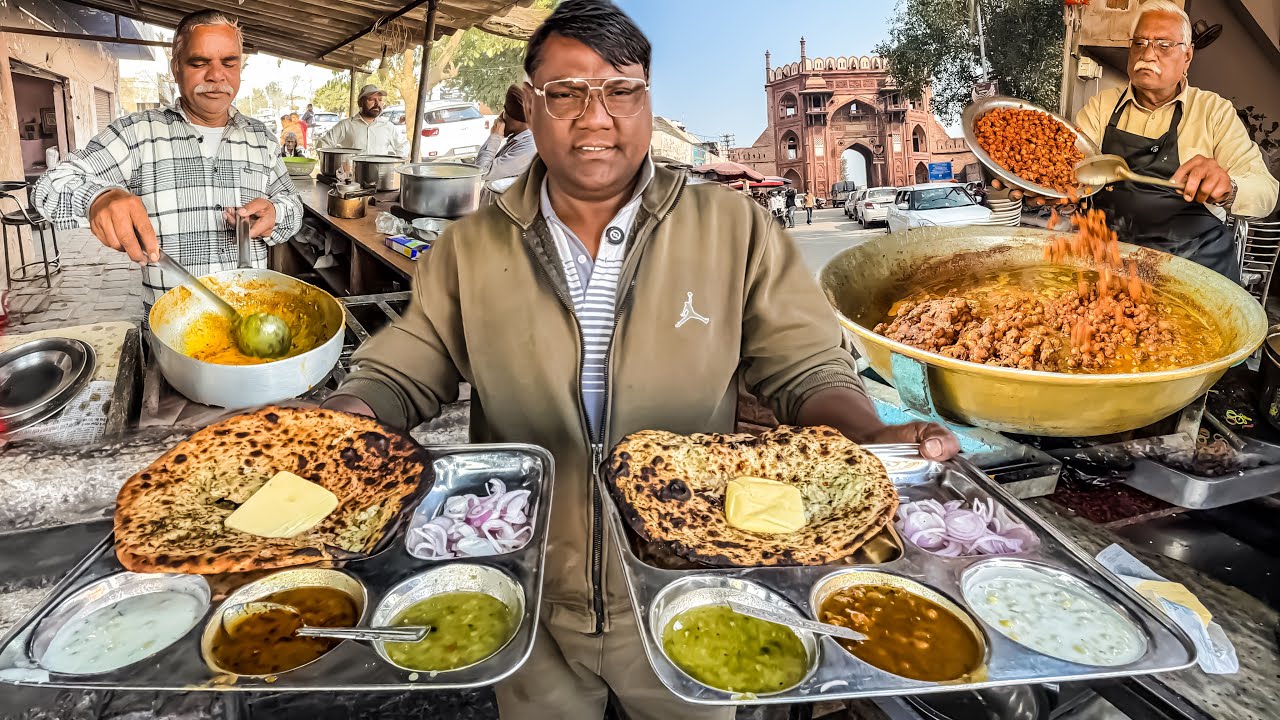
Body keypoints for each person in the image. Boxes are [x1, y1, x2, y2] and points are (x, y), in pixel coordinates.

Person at [320, 2, 958, 718]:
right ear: (531, 108)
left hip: (688, 574)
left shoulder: (732, 228)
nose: (595, 117)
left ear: (649, 101)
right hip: (530, 586)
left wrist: (866, 436)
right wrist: (337, 424)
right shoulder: (473, 246)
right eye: (565, 93)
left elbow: (805, 366)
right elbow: (408, 365)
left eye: (621, 90)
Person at [33, 9, 301, 309]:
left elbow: (293, 205)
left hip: (252, 319)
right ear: (176, 68)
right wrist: (98, 198)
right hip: (172, 336)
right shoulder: (137, 133)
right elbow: (49, 185)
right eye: (199, 62)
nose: (216, 75)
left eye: (229, 62)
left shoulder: (261, 137)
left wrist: (276, 213)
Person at [1073, 0, 1277, 282]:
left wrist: (1229, 188)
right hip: (1107, 256)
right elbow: (1069, 167)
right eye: (1139, 43)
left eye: (1163, 45)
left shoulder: (1213, 111)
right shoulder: (1101, 106)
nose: (1148, 54)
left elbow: (1266, 191)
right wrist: (1040, 184)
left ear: (1188, 56)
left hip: (1193, 263)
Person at [314, 85, 409, 158]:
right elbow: (323, 144)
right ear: (360, 102)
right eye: (371, 99)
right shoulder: (346, 125)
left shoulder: (388, 126)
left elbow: (403, 146)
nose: (377, 104)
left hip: (380, 178)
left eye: (380, 100)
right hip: (351, 179)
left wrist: (393, 166)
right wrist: (335, 164)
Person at [474, 84, 538, 192]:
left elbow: (481, 171)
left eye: (505, 113)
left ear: (516, 119)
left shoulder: (529, 147)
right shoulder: (521, 139)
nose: (501, 117)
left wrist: (495, 136)